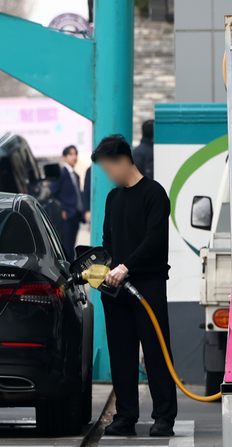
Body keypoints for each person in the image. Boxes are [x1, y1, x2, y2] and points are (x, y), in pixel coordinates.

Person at [91, 134, 177, 437]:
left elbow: (154, 240)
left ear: (123, 160)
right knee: (121, 353)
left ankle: (164, 417)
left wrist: (126, 267)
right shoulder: (113, 198)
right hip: (116, 289)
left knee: (155, 351)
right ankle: (125, 417)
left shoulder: (154, 194)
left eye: (108, 168)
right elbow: (108, 240)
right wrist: (103, 268)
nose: (108, 175)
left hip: (147, 285)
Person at [50, 145, 83, 261]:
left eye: (75, 154)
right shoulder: (61, 174)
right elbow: (52, 193)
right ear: (64, 157)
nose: (74, 157)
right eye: (71, 154)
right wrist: (61, 210)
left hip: (76, 215)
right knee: (66, 247)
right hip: (66, 216)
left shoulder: (76, 176)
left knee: (72, 245)